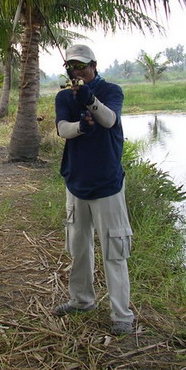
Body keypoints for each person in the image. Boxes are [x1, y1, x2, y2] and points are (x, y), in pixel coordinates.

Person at [53, 43, 135, 335]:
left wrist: (90, 100)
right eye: (72, 67)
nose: (77, 71)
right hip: (76, 183)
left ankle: (121, 314)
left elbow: (109, 120)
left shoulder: (112, 90)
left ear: (94, 65)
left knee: (114, 249)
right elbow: (62, 129)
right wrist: (81, 128)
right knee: (78, 247)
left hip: (107, 185)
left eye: (82, 66)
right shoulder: (63, 96)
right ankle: (81, 300)